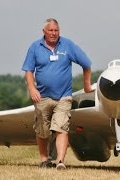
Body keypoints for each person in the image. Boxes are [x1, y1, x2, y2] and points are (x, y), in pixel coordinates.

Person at [22, 18, 93, 170]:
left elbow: (87, 64)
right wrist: (32, 88)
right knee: (42, 130)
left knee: (61, 128)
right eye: (51, 31)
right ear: (44, 32)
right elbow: (28, 71)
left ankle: (60, 161)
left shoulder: (68, 45)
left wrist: (86, 86)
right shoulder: (35, 47)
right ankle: (44, 160)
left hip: (64, 96)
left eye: (56, 30)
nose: (54, 33)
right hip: (42, 96)